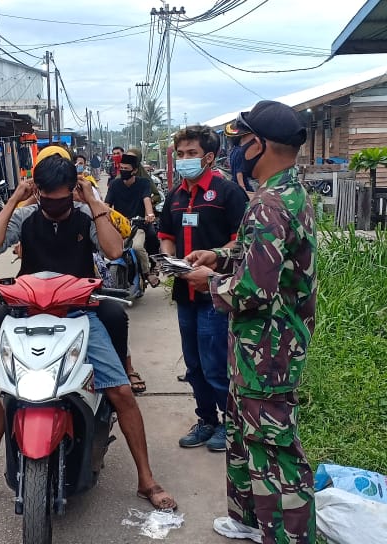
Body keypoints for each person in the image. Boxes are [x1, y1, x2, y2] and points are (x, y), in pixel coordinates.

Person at [0, 154, 175, 513]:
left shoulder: (87, 216)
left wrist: (92, 201)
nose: (54, 205)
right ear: (36, 191)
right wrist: (15, 199)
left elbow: (114, 250)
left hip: (79, 313)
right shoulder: (24, 217)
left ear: (73, 189)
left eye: (62, 196)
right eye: (46, 196)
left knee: (120, 391)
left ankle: (146, 478)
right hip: (28, 315)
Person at [181, 101, 317, 543]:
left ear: (260, 145)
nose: (236, 151)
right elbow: (261, 254)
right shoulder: (282, 193)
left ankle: (290, 536)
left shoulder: (273, 202)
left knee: (274, 448)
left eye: (241, 142)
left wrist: (209, 281)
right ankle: (249, 520)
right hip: (256, 346)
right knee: (242, 432)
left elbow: (252, 290)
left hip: (270, 349)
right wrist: (220, 255)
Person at [157, 126, 248, 453]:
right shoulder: (175, 197)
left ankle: (229, 424)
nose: (184, 160)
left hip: (217, 294)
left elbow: (243, 240)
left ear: (208, 157)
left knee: (215, 364)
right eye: (180, 155)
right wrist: (170, 260)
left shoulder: (227, 194)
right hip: (185, 294)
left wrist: (213, 262)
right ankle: (206, 419)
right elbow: (165, 233)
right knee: (194, 364)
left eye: (191, 154)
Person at [106, 151, 160, 292]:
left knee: (137, 247)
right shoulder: (115, 184)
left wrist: (149, 214)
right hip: (118, 226)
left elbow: (147, 199)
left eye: (126, 169)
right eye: (121, 169)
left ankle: (147, 273)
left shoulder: (144, 183)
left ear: (135, 170)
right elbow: (106, 205)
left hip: (137, 225)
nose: (123, 172)